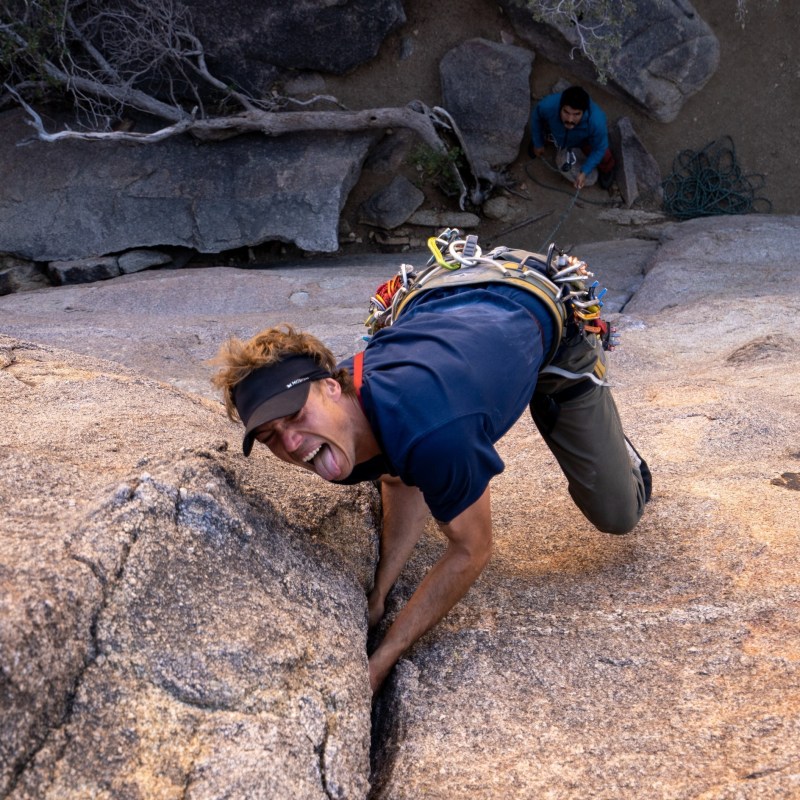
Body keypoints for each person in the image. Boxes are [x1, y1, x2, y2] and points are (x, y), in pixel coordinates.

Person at [212, 231, 650, 694]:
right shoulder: (341, 429)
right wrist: (379, 594)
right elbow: (401, 478)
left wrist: (382, 659)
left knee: (616, 513)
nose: (290, 442)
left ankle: (609, 438)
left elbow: (471, 549)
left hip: (535, 305)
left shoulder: (433, 427)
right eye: (269, 436)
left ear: (332, 387)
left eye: (296, 415)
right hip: (436, 301)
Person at [529, 85, 616, 191]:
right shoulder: (547, 106)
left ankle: (607, 169)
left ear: (584, 111)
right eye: (566, 112)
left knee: (604, 155)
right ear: (560, 107)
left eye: (576, 114)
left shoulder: (597, 121)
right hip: (557, 131)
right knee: (542, 131)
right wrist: (538, 142)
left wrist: (584, 171)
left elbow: (599, 148)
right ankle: (541, 142)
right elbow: (537, 118)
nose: (570, 119)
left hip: (583, 139)